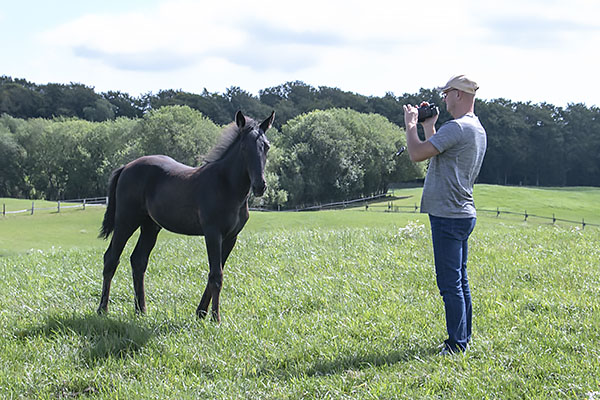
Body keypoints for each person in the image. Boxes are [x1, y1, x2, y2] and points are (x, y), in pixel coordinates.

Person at [402, 75, 487, 355]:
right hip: (463, 212)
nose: (444, 98)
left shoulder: (457, 128)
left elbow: (417, 153)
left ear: (460, 95)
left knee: (449, 284)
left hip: (448, 214)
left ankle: (456, 345)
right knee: (460, 281)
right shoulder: (475, 128)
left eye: (447, 92)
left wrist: (412, 124)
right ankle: (464, 337)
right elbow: (440, 150)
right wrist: (429, 125)